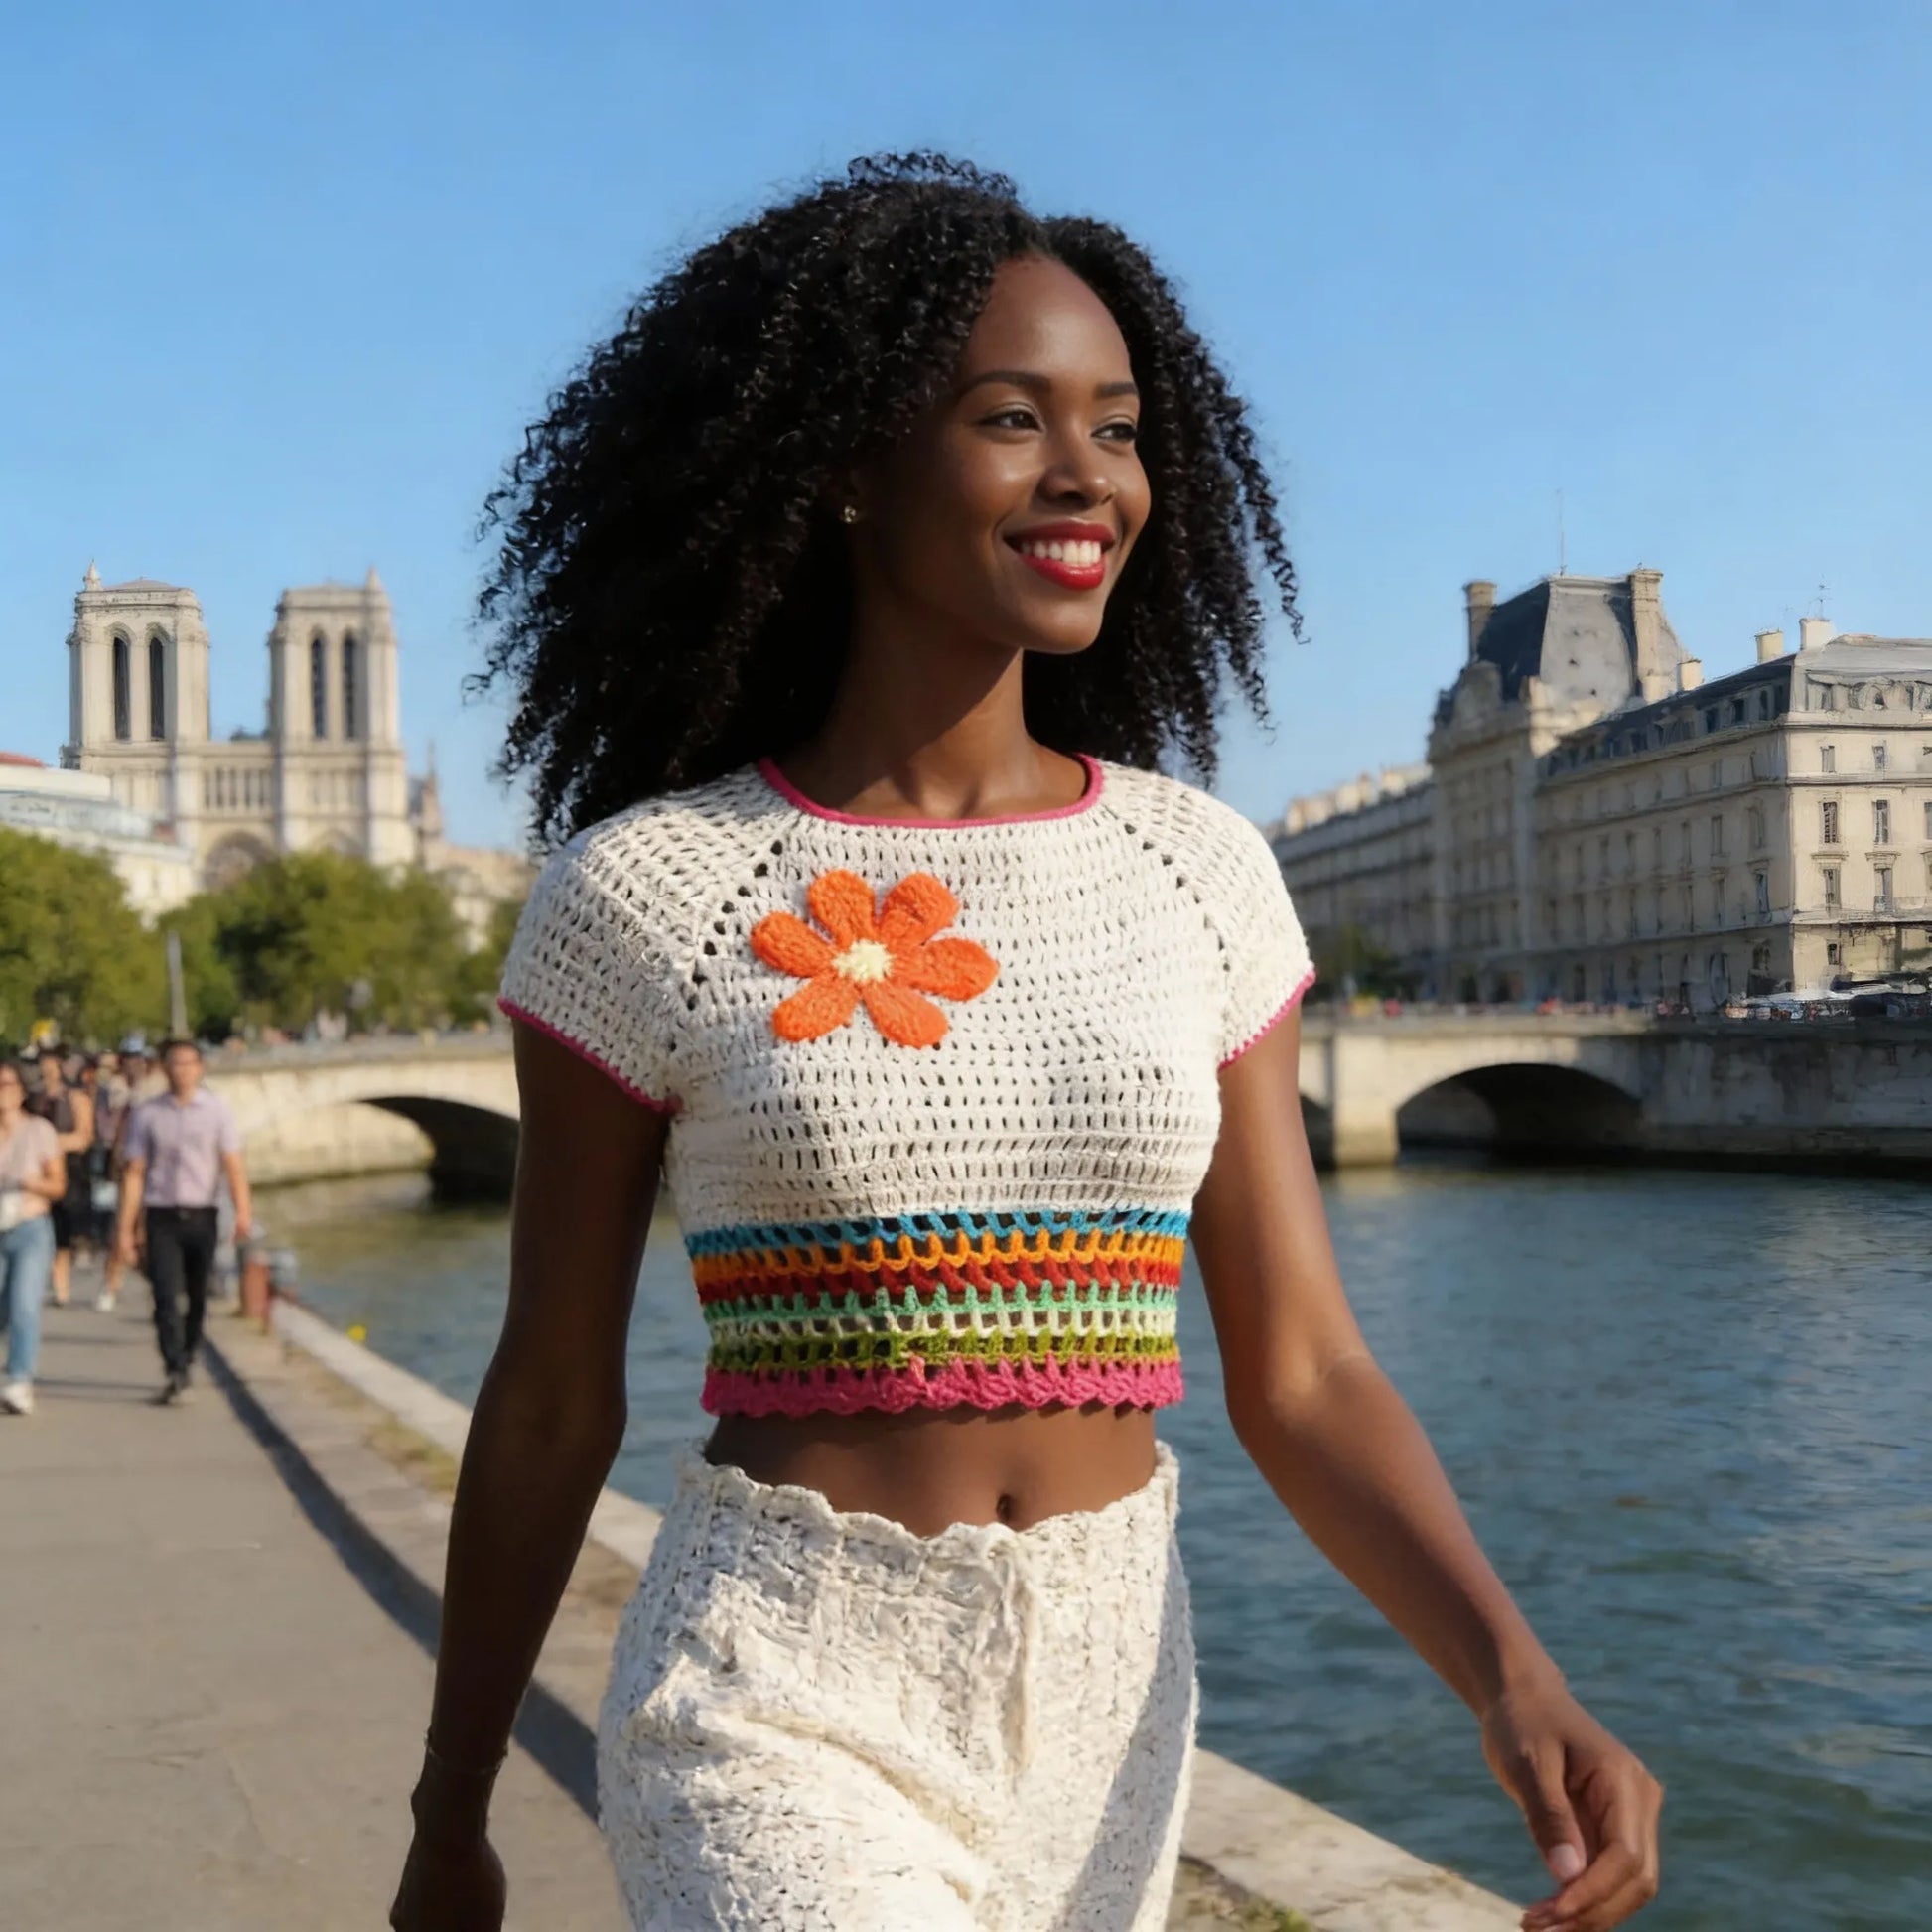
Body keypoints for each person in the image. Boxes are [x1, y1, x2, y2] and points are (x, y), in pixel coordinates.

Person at [390, 156, 1662, 1932]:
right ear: (841, 467)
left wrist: (1512, 1674)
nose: (1089, 478)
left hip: (1115, 1690)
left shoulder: (1196, 870)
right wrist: (452, 1808)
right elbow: (548, 1392)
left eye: (1121, 427)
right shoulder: (649, 893)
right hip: (776, 1691)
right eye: (1013, 418)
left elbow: (1301, 1374)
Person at [115, 1039, 253, 1405]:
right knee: (164, 1294)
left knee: (197, 1295)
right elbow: (134, 1173)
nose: (183, 1071)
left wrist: (243, 1213)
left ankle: (189, 1349)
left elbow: (233, 1164)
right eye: (175, 1064)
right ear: (164, 1068)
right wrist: (126, 1229)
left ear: (200, 1068)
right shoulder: (147, 1114)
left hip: (202, 1213)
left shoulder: (217, 1111)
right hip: (161, 1214)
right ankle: (174, 1366)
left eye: (189, 1064)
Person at [1, 1060, 67, 1415]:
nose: (3, 1092)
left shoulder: (39, 1130)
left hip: (30, 1227)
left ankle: (18, 1381)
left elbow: (58, 1186)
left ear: (23, 1091)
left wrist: (30, 1184)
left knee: (25, 1304)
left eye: (9, 1085)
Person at [95, 1043, 162, 1313]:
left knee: (150, 1228)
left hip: (156, 1169)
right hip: (127, 1167)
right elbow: (108, 1131)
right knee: (122, 1226)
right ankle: (111, 1284)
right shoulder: (114, 1091)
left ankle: (156, 1287)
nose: (135, 1065)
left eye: (140, 1060)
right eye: (130, 1060)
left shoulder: (156, 1090)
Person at [28, 1047, 94, 1308]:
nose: (47, 1071)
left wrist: (50, 1143)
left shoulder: (75, 1098)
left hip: (68, 1170)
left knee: (63, 1233)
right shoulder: (33, 1099)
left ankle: (61, 1285)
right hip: (36, 1172)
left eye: (51, 1065)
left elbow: (84, 1136)